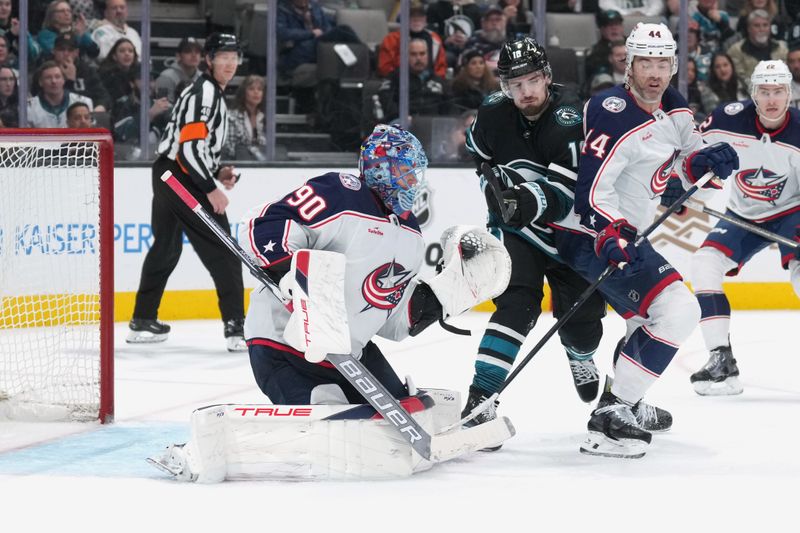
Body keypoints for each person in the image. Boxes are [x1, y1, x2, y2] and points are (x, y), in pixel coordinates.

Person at [149, 125, 514, 481]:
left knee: (403, 416)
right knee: (330, 419)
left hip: (349, 354)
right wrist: (290, 275)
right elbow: (262, 224)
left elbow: (391, 317)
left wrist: (441, 298)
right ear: (380, 170)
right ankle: (207, 449)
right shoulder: (341, 193)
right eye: (404, 172)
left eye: (415, 173)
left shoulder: (411, 233)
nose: (412, 182)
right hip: (284, 344)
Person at [550, 23, 739, 458]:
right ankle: (610, 417)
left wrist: (707, 161)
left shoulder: (673, 107)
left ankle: (626, 401)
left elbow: (686, 162)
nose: (654, 73)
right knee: (677, 310)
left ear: (673, 66)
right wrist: (610, 230)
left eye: (662, 63)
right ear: (628, 65)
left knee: (646, 322)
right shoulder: (611, 109)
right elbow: (594, 188)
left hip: (627, 235)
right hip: (592, 234)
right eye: (645, 63)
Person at [462, 37, 607, 443]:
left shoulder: (571, 117)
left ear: (547, 77)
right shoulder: (493, 112)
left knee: (582, 321)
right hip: (516, 232)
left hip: (568, 234)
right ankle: (481, 398)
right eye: (514, 84)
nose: (524, 92)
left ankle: (581, 355)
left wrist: (525, 198)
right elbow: (479, 151)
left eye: (531, 81)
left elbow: (566, 195)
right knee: (515, 304)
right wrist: (493, 183)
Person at [127, 33, 246, 352]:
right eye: (223, 56)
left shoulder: (211, 93)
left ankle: (142, 319)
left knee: (166, 247)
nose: (230, 63)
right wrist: (211, 188)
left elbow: (191, 147)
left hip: (169, 172)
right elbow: (190, 149)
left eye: (234, 56)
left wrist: (217, 171)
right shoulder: (204, 93)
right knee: (223, 248)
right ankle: (237, 328)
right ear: (209, 60)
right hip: (179, 176)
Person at [689, 60, 800, 395]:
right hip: (743, 214)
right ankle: (721, 361)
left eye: (778, 91)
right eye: (764, 91)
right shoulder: (726, 119)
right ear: (753, 93)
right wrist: (685, 177)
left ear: (789, 93)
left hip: (792, 210)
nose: (771, 99)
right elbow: (689, 151)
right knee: (704, 263)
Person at [376, 38, 451, 123]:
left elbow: (450, 106)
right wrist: (402, 116)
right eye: (413, 54)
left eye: (422, 54)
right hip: (403, 123)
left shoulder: (438, 81)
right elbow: (386, 102)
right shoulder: (395, 78)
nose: (418, 58)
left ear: (428, 55)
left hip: (433, 124)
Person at [377, 5, 447, 79]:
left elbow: (441, 66)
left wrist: (437, 80)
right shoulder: (391, 39)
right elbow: (384, 68)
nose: (417, 21)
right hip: (399, 81)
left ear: (425, 19)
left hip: (430, 80)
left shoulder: (435, 38)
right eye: (413, 18)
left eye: (420, 17)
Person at [52, 32, 110, 112]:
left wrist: (98, 108)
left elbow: (103, 96)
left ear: (76, 53)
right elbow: (54, 101)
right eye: (61, 49)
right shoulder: (46, 71)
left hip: (86, 115)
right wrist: (69, 81)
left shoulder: (87, 70)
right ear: (54, 51)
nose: (66, 53)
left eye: (70, 50)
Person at [727, 9, 788, 84]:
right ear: (749, 29)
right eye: (757, 26)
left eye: (765, 25)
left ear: (770, 28)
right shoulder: (736, 51)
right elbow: (739, 79)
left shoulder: (781, 48)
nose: (761, 29)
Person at [27, 60, 93, 128]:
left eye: (57, 77)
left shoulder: (84, 102)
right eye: (48, 78)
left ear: (63, 80)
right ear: (40, 82)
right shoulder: (28, 107)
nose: (53, 81)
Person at [223, 74, 267, 160]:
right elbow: (229, 150)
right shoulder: (231, 117)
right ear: (243, 93)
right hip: (239, 164)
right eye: (251, 89)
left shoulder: (264, 117)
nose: (256, 92)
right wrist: (253, 151)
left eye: (260, 89)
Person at [154, 36, 203, 104]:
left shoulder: (203, 78)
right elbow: (163, 108)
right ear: (178, 56)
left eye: (197, 52)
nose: (194, 55)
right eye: (188, 51)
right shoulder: (166, 77)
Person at [585, 9, 625, 82]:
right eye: (609, 25)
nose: (614, 28)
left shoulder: (633, 44)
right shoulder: (596, 52)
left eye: (617, 24)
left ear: (622, 27)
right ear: (602, 29)